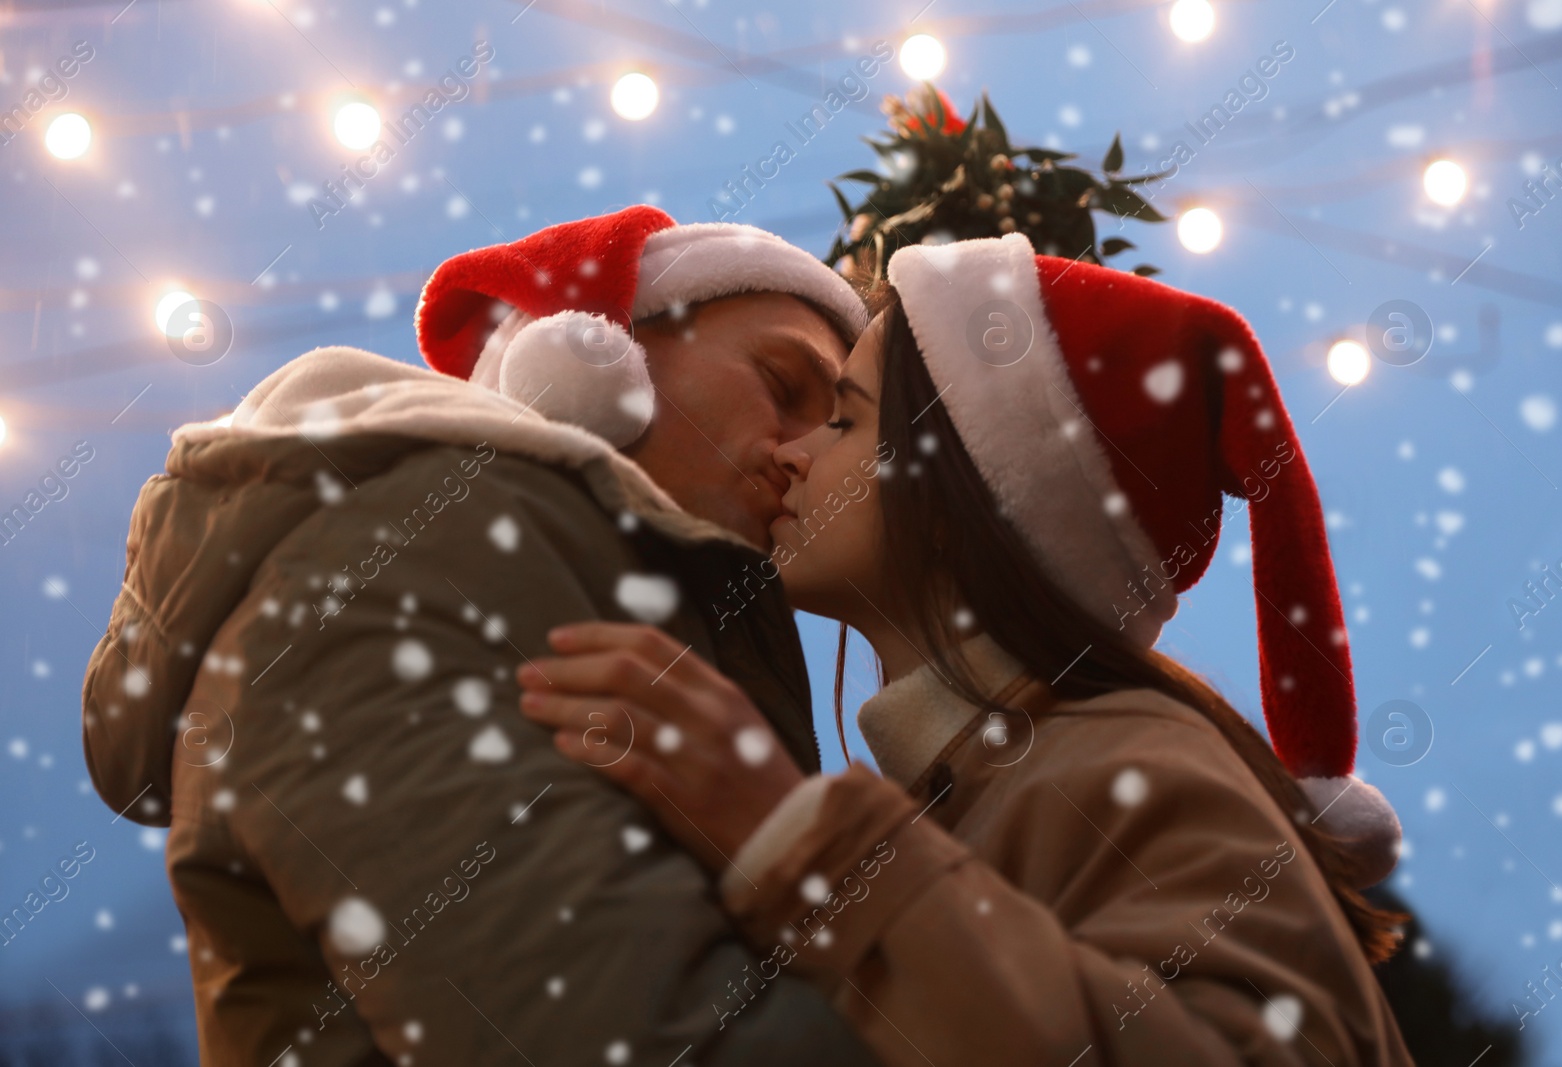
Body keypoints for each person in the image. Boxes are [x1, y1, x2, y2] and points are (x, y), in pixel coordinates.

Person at [518, 233, 1414, 1066]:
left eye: (843, 420)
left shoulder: (1126, 753)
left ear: (963, 487)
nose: (792, 454)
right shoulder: (975, 787)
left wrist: (797, 839)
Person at [81, 206, 886, 1066]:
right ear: (590, 359)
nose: (806, 453)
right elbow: (632, 1036)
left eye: (837, 423)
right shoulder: (405, 561)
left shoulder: (532, 571)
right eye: (782, 383)